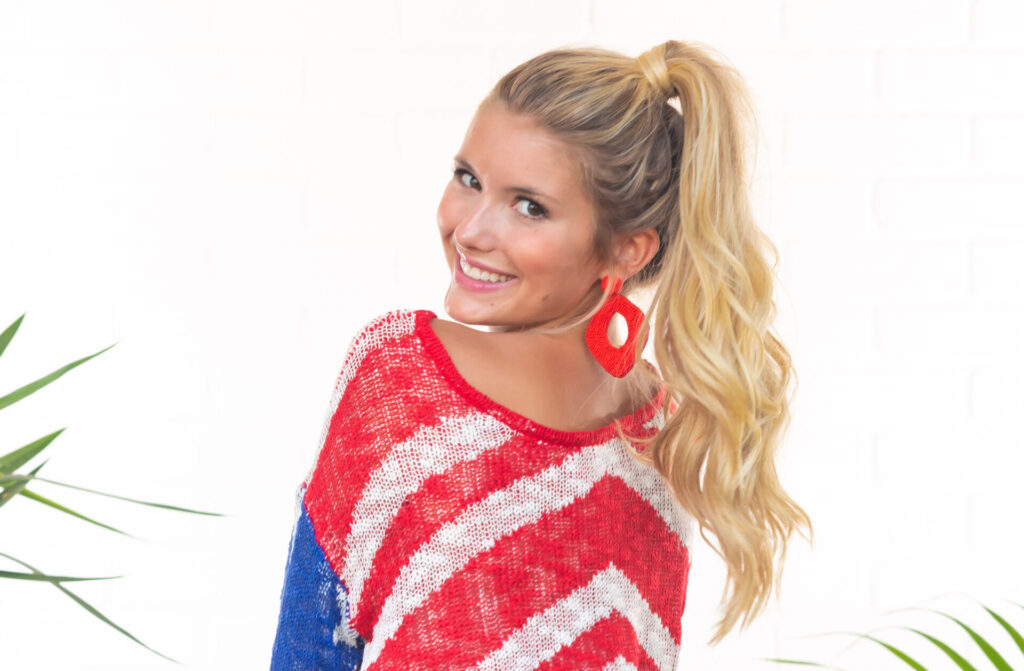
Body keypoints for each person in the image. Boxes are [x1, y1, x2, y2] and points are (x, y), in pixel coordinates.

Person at [270, 39, 813, 670]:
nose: (470, 230)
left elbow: (310, 644)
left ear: (627, 251)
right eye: (468, 179)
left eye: (529, 207)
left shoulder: (404, 373)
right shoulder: (663, 431)